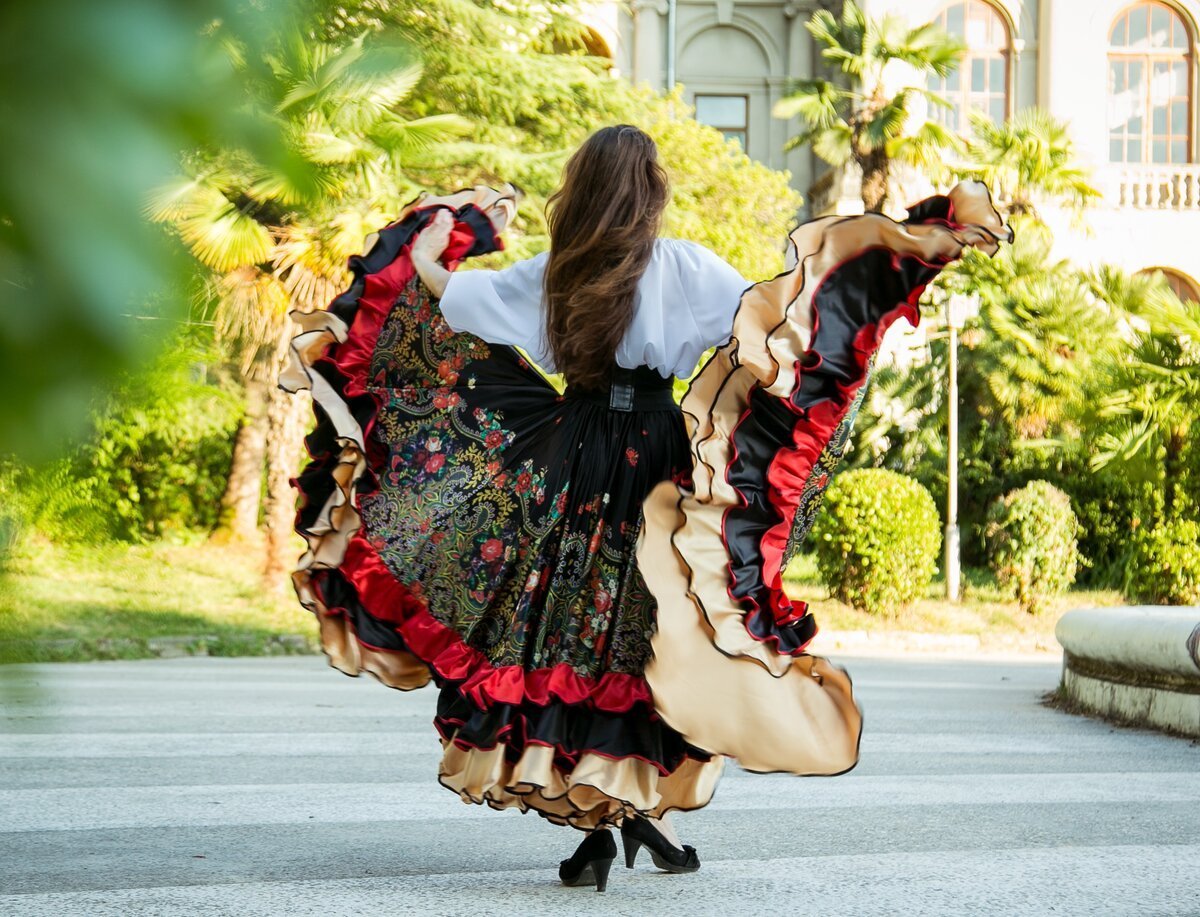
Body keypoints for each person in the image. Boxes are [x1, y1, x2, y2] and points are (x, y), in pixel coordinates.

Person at [280, 124, 1010, 893]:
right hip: (660, 463)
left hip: (574, 451)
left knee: (577, 633)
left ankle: (605, 827)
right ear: (650, 192)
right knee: (648, 635)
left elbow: (449, 293)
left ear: (583, 191)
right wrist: (891, 256)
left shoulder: (555, 273)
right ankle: (625, 818)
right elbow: (774, 323)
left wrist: (437, 237)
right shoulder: (686, 266)